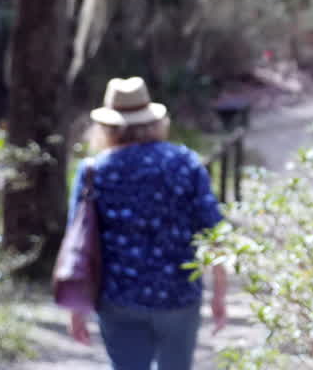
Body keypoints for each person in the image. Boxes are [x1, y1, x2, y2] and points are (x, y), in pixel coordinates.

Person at [66, 76, 228, 370]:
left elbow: (78, 243)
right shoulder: (185, 163)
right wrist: (219, 292)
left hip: (118, 297)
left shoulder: (93, 172)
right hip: (179, 295)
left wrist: (77, 306)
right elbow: (213, 230)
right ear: (155, 121)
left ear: (106, 127)